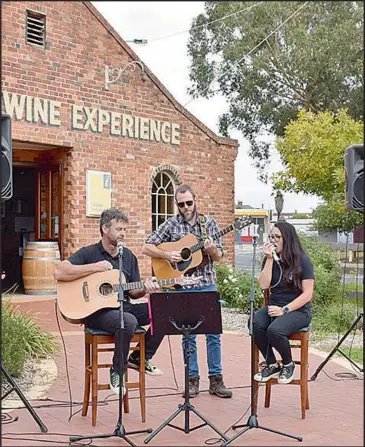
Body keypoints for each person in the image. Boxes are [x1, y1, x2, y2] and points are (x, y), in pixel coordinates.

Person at [53, 208, 164, 396]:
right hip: (96, 312)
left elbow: (133, 292)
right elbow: (59, 272)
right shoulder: (89, 253)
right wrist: (95, 268)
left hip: (121, 306)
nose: (122, 234)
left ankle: (139, 357)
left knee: (162, 310)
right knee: (127, 321)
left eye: (124, 230)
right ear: (105, 229)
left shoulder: (128, 257)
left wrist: (145, 287)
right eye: (119, 229)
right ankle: (118, 370)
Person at [142, 185, 232, 399]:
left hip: (208, 282)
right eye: (181, 204)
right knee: (187, 334)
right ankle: (192, 380)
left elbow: (219, 257)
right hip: (183, 285)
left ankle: (216, 380)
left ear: (195, 200)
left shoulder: (208, 223)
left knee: (213, 333)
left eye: (188, 203)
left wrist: (211, 250)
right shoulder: (171, 224)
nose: (185, 207)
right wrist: (167, 255)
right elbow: (146, 247)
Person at [253, 221, 315, 384]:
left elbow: (308, 294)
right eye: (270, 236)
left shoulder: (302, 261)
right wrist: (269, 259)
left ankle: (288, 364)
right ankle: (272, 363)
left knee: (274, 330)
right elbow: (263, 285)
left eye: (277, 237)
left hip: (298, 311)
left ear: (287, 238)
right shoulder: (270, 260)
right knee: (255, 323)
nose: (273, 240)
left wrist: (285, 310)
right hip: (274, 307)